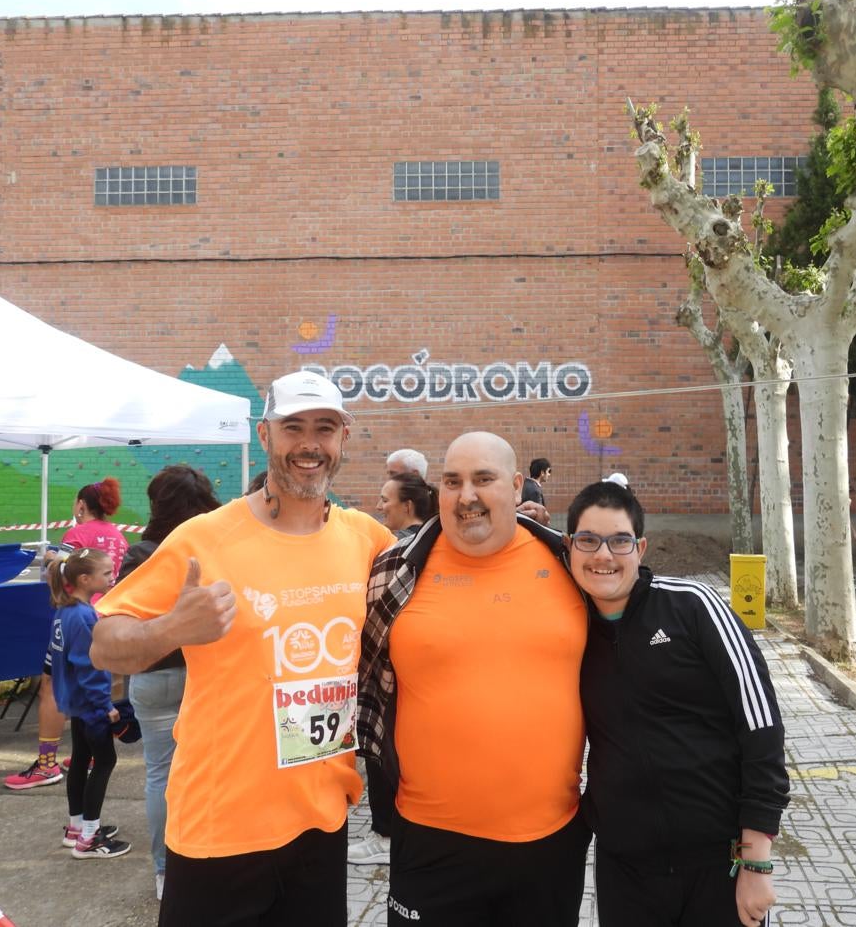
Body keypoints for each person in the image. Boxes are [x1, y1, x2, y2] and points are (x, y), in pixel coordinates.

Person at [90, 370, 396, 927]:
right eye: (293, 428)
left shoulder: (367, 539)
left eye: (324, 428)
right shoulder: (204, 538)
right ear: (265, 435)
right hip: (221, 828)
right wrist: (170, 629)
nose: (309, 444)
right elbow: (104, 644)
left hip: (322, 821)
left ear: (344, 438)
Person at [358, 431, 590, 926]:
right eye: (452, 481)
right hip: (428, 840)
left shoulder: (572, 565)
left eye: (484, 479)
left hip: (549, 843)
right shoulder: (395, 569)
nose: (467, 496)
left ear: (517, 485)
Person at [565, 481, 788, 927]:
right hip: (625, 869)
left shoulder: (693, 606)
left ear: (641, 547)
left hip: (718, 864)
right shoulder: (568, 629)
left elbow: (762, 728)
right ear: (569, 547)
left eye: (620, 540)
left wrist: (756, 860)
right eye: (588, 540)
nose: (603, 555)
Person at [120, 466, 221, 900]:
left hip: (155, 675)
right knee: (213, 770)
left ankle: (165, 870)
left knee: (161, 773)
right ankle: (209, 856)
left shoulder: (142, 553)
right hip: (207, 674)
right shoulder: (212, 547)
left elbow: (121, 617)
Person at [5, 477, 129, 790]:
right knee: (100, 686)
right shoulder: (119, 536)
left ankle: (47, 764)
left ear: (81, 505)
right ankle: (90, 753)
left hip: (75, 618)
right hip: (109, 618)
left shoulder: (75, 535)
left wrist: (51, 562)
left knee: (52, 687)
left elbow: (58, 575)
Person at [349, 471, 440, 867]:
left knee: (382, 755)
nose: (379, 505)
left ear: (408, 505)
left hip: (391, 677)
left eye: (386, 499)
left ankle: (385, 835)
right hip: (415, 681)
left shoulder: (399, 552)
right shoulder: (433, 547)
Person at [46, 547, 132, 859]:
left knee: (81, 760)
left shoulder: (65, 611)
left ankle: (77, 827)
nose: (112, 577)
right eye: (106, 573)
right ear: (84, 579)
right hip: (90, 705)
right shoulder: (83, 616)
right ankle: (90, 838)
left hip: (75, 702)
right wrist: (105, 705)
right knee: (105, 761)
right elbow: (89, 666)